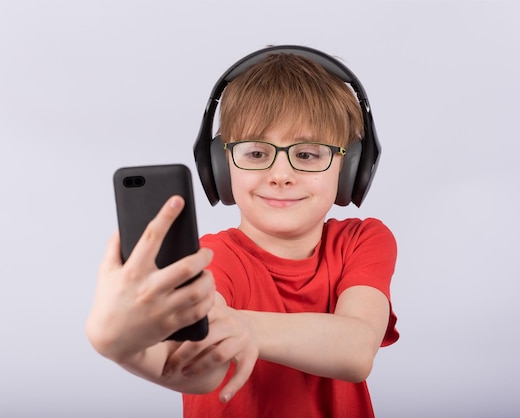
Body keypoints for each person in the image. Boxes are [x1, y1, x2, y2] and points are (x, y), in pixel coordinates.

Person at [86, 45, 399, 418]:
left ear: (351, 169)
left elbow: (356, 349)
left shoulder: (362, 241)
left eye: (307, 154)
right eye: (255, 153)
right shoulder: (208, 261)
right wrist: (122, 344)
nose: (281, 175)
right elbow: (200, 370)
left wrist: (239, 324)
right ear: (220, 165)